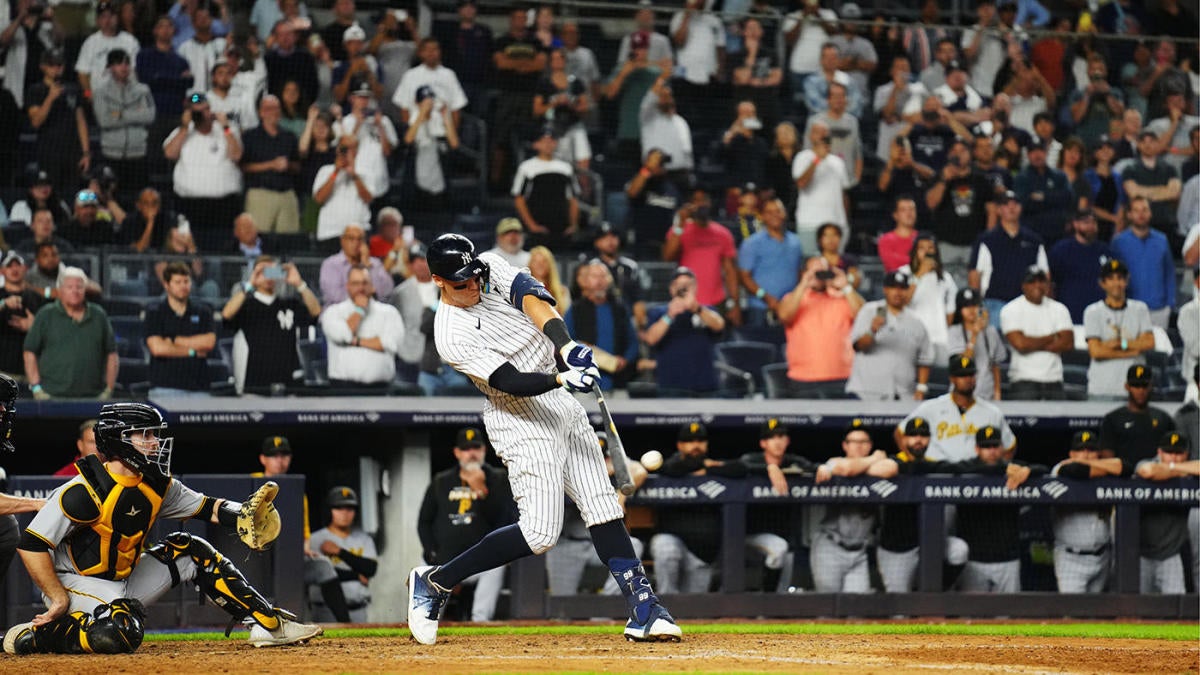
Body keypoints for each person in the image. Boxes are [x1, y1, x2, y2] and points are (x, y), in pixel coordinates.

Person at [406, 234, 680, 644]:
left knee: (602, 504)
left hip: (560, 403)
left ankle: (645, 607)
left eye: (474, 276)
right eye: (462, 282)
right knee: (539, 534)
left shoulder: (489, 266)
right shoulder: (449, 333)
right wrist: (560, 376)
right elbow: (507, 380)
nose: (474, 285)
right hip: (518, 418)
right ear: (438, 281)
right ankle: (436, 581)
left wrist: (566, 346)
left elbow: (532, 296)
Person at [3, 403, 322, 654]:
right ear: (120, 440)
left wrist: (245, 513)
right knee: (122, 630)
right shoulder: (84, 489)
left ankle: (267, 624)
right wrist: (57, 597)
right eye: (146, 435)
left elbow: (207, 507)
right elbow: (31, 544)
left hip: (122, 582)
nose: (155, 443)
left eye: (155, 434)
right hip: (76, 582)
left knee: (190, 549)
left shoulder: (157, 484)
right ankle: (37, 637)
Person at [416, 428, 515, 622]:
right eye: (466, 449)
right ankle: (424, 621)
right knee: (424, 572)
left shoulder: (498, 478)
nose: (471, 453)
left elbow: (504, 518)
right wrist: (431, 553)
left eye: (476, 448)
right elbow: (424, 522)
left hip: (481, 562)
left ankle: (480, 621)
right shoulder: (441, 481)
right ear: (457, 452)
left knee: (497, 566)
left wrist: (482, 490)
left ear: (484, 450)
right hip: (445, 561)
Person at [871, 417, 968, 592]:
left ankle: (941, 588)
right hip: (897, 548)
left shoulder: (933, 466)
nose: (918, 439)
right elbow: (878, 470)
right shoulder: (893, 462)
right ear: (903, 439)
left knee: (958, 549)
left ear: (930, 439)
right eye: (912, 435)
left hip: (929, 543)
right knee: (899, 612)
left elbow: (966, 467)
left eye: (923, 435)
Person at [652, 422, 744, 594]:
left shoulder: (714, 465)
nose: (695, 445)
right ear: (680, 445)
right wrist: (705, 466)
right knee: (665, 549)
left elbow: (740, 468)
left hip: (704, 553)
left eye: (700, 440)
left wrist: (709, 467)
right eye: (689, 441)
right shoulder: (671, 466)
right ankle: (663, 612)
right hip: (675, 542)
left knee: (694, 608)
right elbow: (670, 468)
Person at [954, 425, 1045, 592]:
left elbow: (1043, 469)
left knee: (1009, 616)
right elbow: (951, 469)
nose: (992, 451)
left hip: (1008, 560)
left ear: (1002, 447)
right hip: (975, 561)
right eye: (986, 446)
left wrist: (1028, 470)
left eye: (995, 446)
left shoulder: (1014, 468)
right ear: (977, 448)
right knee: (972, 616)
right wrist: (1003, 469)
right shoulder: (967, 467)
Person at [808, 420, 888, 592]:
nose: (858, 446)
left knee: (858, 610)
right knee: (827, 608)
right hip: (830, 546)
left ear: (870, 445)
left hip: (859, 551)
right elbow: (845, 469)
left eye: (863, 442)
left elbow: (888, 469)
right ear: (845, 445)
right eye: (854, 442)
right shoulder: (835, 463)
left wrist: (869, 464)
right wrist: (873, 458)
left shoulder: (879, 467)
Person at [220, 256, 320, 394]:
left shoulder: (290, 304)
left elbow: (315, 312)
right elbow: (226, 315)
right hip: (256, 383)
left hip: (290, 384)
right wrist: (250, 284)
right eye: (262, 272)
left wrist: (300, 284)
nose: (267, 276)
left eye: (271, 272)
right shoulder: (246, 306)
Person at [162, 92, 243, 251]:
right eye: (197, 112)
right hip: (190, 206)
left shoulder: (226, 130)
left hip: (223, 207)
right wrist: (185, 127)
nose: (202, 115)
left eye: (205, 109)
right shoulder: (183, 132)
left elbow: (236, 155)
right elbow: (169, 153)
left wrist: (226, 127)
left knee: (223, 250)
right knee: (192, 250)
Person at [899, 354, 1015, 462]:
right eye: (962, 376)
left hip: (976, 473)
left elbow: (1010, 446)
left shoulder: (992, 412)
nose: (967, 379)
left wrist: (996, 471)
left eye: (970, 375)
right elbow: (900, 432)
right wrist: (915, 462)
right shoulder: (930, 408)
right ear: (952, 378)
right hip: (937, 471)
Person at [23, 268, 117, 400]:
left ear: (85, 290)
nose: (75, 291)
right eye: (69, 287)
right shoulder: (45, 314)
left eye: (79, 287)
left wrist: (108, 389)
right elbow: (29, 352)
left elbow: (112, 354)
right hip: (50, 397)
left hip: (93, 398)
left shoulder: (99, 315)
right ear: (60, 290)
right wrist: (37, 388)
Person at [777, 255, 863, 398]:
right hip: (803, 379)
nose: (818, 276)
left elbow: (863, 317)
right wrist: (803, 284)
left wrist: (846, 287)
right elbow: (784, 315)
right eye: (814, 272)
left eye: (822, 272)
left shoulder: (842, 297)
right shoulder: (794, 298)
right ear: (804, 273)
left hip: (841, 377)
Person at [1049, 431, 1122, 593]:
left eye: (1091, 450)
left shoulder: (1104, 476)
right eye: (1081, 450)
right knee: (1073, 614)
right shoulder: (1060, 470)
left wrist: (1108, 467)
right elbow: (1076, 469)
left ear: (1098, 453)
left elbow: (1124, 467)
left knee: (1096, 615)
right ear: (1071, 454)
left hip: (1102, 557)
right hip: (1071, 558)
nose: (1086, 455)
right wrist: (1109, 466)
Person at [846, 271, 934, 401]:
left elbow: (925, 359)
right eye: (893, 288)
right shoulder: (869, 311)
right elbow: (858, 346)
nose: (897, 293)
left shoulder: (916, 322)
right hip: (867, 393)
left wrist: (921, 388)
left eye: (902, 288)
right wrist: (872, 330)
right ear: (885, 289)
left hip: (903, 394)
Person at [970, 191, 1049, 325]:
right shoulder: (986, 240)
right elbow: (975, 275)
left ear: (1021, 208)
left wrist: (1043, 303)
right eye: (1006, 204)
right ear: (999, 210)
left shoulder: (1034, 241)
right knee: (994, 344)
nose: (1011, 208)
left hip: (1027, 304)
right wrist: (976, 306)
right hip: (994, 303)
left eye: (1015, 204)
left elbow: (1045, 275)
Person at [1134, 432, 1199, 594]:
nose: (1173, 458)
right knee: (1135, 609)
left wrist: (1170, 469)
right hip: (1141, 554)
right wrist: (1179, 470)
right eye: (1169, 453)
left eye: (1178, 453)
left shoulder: (1189, 467)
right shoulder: (1147, 462)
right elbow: (1148, 471)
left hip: (1171, 555)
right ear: (1160, 452)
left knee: (1176, 609)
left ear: (1186, 454)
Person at [643, 267, 725, 396]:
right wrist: (669, 315)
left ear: (695, 288)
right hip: (671, 385)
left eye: (688, 285)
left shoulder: (706, 310)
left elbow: (719, 325)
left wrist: (697, 309)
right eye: (679, 285)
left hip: (705, 384)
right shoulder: (659, 312)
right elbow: (651, 338)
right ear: (671, 289)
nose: (683, 289)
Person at [320, 265, 404, 388]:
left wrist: (356, 341)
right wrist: (359, 310)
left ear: (372, 286)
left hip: (381, 389)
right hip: (342, 388)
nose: (361, 288)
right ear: (347, 286)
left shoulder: (389, 313)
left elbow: (390, 344)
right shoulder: (333, 312)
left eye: (365, 283)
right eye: (355, 283)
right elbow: (343, 336)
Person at [663, 190, 740, 324]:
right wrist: (680, 224)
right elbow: (668, 256)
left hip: (716, 301)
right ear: (690, 204)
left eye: (704, 200)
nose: (701, 204)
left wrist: (734, 303)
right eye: (696, 201)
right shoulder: (680, 230)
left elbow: (730, 272)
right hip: (686, 300)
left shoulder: (723, 234)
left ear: (710, 203)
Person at [1083, 259, 1156, 400]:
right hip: (1102, 387)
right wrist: (1133, 351)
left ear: (1127, 281)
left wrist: (1119, 344)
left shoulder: (1140, 309)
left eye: (1120, 278)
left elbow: (1149, 342)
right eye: (1110, 279)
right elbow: (1096, 351)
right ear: (1102, 283)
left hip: (1135, 389)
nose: (1116, 283)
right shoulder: (1093, 311)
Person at [144, 262, 215, 397]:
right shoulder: (155, 311)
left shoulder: (203, 311)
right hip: (164, 387)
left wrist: (173, 340)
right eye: (178, 282)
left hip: (199, 388)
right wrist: (193, 351)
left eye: (186, 281)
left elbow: (208, 343)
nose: (183, 286)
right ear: (166, 285)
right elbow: (158, 349)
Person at [307, 486, 377, 623]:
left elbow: (370, 568)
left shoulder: (364, 539)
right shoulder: (315, 539)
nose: (345, 513)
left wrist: (340, 552)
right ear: (329, 511)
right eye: (339, 508)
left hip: (358, 609)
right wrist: (355, 575)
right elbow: (320, 573)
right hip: (325, 612)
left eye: (349, 509)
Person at [563, 262, 637, 391]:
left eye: (603, 276)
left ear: (609, 280)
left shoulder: (619, 308)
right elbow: (565, 342)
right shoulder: (575, 310)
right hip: (584, 383)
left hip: (618, 382)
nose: (599, 281)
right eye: (594, 277)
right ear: (585, 281)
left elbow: (633, 342)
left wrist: (625, 360)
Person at [26, 49, 90, 197]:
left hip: (73, 154)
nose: (57, 68)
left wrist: (86, 152)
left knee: (74, 195)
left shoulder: (73, 89)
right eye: (52, 65)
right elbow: (36, 122)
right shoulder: (35, 90)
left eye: (59, 65)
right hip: (48, 154)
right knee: (51, 195)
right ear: (43, 66)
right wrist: (50, 98)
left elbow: (81, 121)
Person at [92, 49, 155, 191]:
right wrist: (135, 114)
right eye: (119, 63)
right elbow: (104, 120)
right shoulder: (101, 92)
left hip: (139, 154)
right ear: (110, 67)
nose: (124, 67)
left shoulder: (143, 90)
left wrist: (120, 114)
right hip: (111, 154)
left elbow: (149, 116)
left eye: (127, 63)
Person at [1111, 196, 1175, 329]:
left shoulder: (1162, 240)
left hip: (1159, 309)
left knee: (1159, 348)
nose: (1141, 214)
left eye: (1145, 210)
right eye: (1136, 210)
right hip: (1128, 308)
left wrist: (1170, 304)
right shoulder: (1118, 242)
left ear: (1150, 213)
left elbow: (1169, 273)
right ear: (1129, 214)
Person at [737, 198, 803, 328]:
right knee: (759, 346)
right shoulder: (751, 243)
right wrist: (767, 298)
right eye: (769, 212)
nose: (775, 215)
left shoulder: (796, 242)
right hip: (760, 308)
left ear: (785, 214)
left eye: (778, 211)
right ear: (762, 216)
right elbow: (744, 277)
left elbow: (799, 272)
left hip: (790, 307)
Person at [242, 95, 301, 234]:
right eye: (269, 109)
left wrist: (288, 166)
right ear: (261, 112)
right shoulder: (250, 137)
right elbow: (243, 167)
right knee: (259, 237)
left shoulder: (289, 136)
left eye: (276, 109)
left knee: (289, 240)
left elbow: (298, 166)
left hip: (286, 194)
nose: (274, 112)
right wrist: (270, 165)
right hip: (260, 194)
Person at [512, 126, 579, 249]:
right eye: (544, 141)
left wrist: (573, 225)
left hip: (561, 228)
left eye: (551, 141)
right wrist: (532, 226)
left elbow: (573, 198)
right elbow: (519, 199)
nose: (548, 144)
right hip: (537, 229)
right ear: (536, 144)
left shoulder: (566, 168)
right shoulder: (526, 168)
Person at [1100, 365, 1176, 468]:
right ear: (1127, 386)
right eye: (1136, 385)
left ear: (1151, 386)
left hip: (1156, 478)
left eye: (1144, 386)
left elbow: (1173, 454)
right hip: (1121, 480)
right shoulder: (1112, 419)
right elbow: (1107, 458)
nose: (1141, 391)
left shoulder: (1163, 419)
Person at [792, 120, 850, 254]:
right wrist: (817, 159)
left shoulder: (838, 162)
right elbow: (801, 183)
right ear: (811, 136)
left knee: (835, 265)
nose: (822, 135)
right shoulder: (802, 157)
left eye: (825, 132)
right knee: (811, 265)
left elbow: (844, 194)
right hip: (810, 222)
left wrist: (845, 222)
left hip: (836, 223)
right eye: (818, 132)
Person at [898, 234, 957, 361]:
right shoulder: (903, 273)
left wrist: (942, 331)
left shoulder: (946, 278)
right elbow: (901, 303)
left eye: (930, 248)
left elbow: (950, 312)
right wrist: (919, 274)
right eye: (922, 248)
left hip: (939, 339)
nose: (926, 252)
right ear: (915, 252)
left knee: (940, 378)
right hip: (911, 337)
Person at [1049, 210, 1113, 323]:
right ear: (1076, 224)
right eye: (1086, 222)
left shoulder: (1105, 251)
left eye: (1093, 223)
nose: (1091, 226)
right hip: (1071, 315)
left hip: (1102, 316)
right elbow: (1051, 283)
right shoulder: (1061, 250)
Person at [945, 288, 1006, 401]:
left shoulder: (991, 332)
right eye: (966, 306)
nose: (971, 310)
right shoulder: (954, 332)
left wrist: (997, 392)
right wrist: (974, 335)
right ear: (960, 310)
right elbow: (960, 364)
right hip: (961, 397)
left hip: (987, 395)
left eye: (974, 305)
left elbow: (995, 366)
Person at [1122, 132, 1181, 237]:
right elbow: (1134, 194)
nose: (1147, 145)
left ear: (1158, 144)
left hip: (1166, 222)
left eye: (1151, 141)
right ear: (1138, 145)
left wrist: (1144, 191)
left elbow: (1174, 193)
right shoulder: (1130, 169)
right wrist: (1163, 190)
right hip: (1140, 224)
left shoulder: (1169, 168)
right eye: (1143, 142)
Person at [1014, 139, 1073, 244]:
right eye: (1033, 151)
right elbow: (1024, 203)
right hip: (1032, 233)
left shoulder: (1059, 176)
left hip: (1057, 233)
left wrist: (1042, 197)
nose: (1037, 155)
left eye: (1040, 151)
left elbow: (1067, 198)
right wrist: (1053, 199)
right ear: (1028, 155)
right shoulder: (1021, 178)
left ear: (1046, 152)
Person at [319, 224, 394, 306]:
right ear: (342, 240)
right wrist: (363, 298)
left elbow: (386, 293)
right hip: (339, 314)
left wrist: (367, 266)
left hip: (370, 313)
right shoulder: (331, 264)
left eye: (360, 239)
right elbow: (335, 296)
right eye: (351, 239)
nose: (356, 243)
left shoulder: (374, 264)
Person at [0, 252, 44, 379]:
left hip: (32, 371)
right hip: (3, 370)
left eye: (18, 265)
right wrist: (3, 304)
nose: (14, 269)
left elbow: (51, 332)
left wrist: (34, 327)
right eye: (9, 266)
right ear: (2, 271)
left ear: (25, 269)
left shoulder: (36, 298)